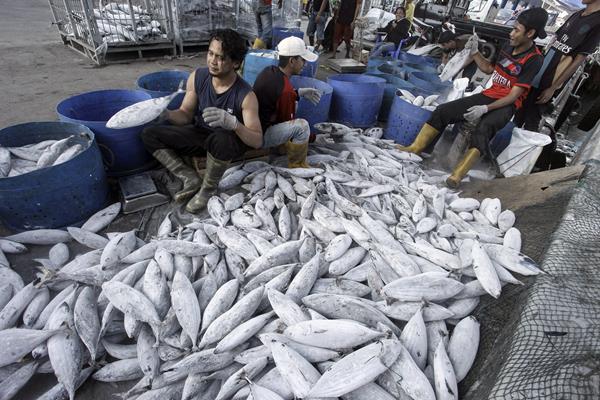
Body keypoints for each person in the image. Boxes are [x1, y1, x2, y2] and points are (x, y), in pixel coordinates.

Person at [397, 8, 547, 188]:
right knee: (443, 111)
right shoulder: (508, 46)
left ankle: (457, 175)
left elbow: (515, 95)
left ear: (530, 33)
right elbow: (489, 69)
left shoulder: (534, 59)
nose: (511, 33)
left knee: (483, 128)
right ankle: (416, 148)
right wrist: (475, 51)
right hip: (489, 94)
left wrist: (485, 109)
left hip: (508, 104)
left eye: (516, 30)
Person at [141, 29, 263, 214]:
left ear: (236, 63)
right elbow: (185, 115)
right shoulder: (198, 77)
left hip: (228, 142)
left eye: (220, 58)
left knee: (221, 138)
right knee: (149, 134)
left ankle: (207, 190)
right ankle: (189, 177)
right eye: (211, 53)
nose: (213, 61)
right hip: (201, 134)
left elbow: (257, 140)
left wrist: (234, 124)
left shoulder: (246, 95)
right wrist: (166, 114)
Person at [515, 0, 600, 132]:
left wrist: (553, 88)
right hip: (539, 72)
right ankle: (505, 146)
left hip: (552, 79)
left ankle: (523, 148)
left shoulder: (597, 22)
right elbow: (554, 41)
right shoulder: (576, 14)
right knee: (519, 111)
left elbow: (578, 60)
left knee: (532, 119)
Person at [253, 37, 323, 167]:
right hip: (259, 136)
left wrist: (298, 93)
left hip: (254, 125)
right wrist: (314, 138)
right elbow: (287, 124)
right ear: (292, 61)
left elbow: (277, 95)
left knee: (293, 105)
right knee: (302, 127)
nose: (305, 64)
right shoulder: (286, 91)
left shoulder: (269, 71)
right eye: (302, 60)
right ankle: (297, 166)